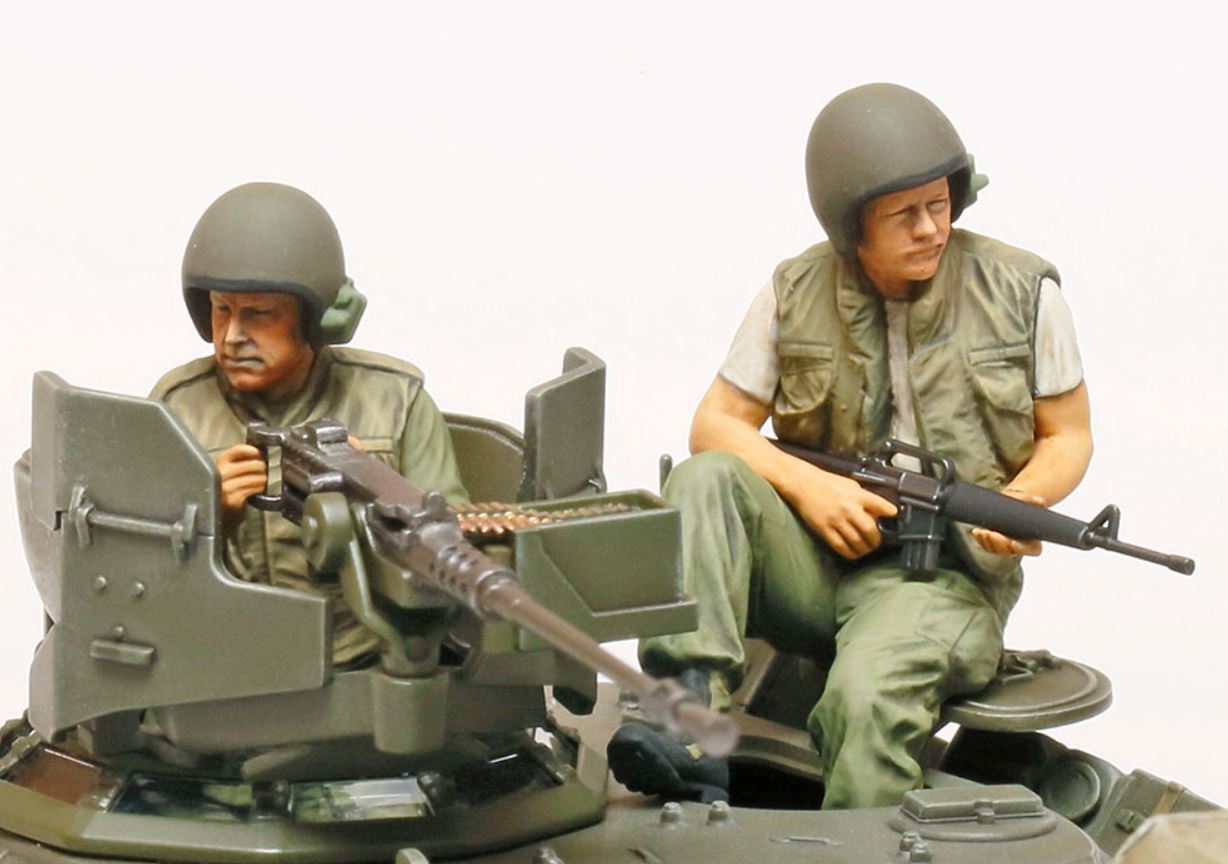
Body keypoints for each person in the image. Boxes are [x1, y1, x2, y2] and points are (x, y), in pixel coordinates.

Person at [608, 83, 1093, 809]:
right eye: (904, 215)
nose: (930, 229)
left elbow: (1068, 433)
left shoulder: (1021, 290)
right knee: (704, 477)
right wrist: (809, 488)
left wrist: (1026, 497)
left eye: (940, 205)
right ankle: (688, 727)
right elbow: (717, 423)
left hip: (941, 578)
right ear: (852, 227)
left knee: (865, 702)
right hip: (815, 555)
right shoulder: (795, 290)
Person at [151, 182, 468, 666]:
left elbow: (458, 545)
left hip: (369, 663)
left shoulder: (394, 402)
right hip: (223, 667)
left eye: (259, 315)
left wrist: (378, 498)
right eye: (221, 310)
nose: (232, 336)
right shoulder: (177, 410)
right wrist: (207, 515)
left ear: (318, 318)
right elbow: (136, 569)